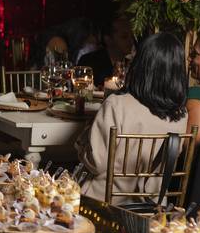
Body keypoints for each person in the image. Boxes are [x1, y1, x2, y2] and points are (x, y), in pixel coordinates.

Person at [76, 33, 189, 202]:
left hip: (104, 205)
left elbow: (95, 163)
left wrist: (82, 141)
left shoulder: (117, 104)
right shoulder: (181, 115)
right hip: (152, 208)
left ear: (141, 64)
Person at [77, 13, 135, 86]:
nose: (131, 41)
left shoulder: (134, 63)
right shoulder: (89, 62)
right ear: (108, 39)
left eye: (132, 36)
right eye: (124, 37)